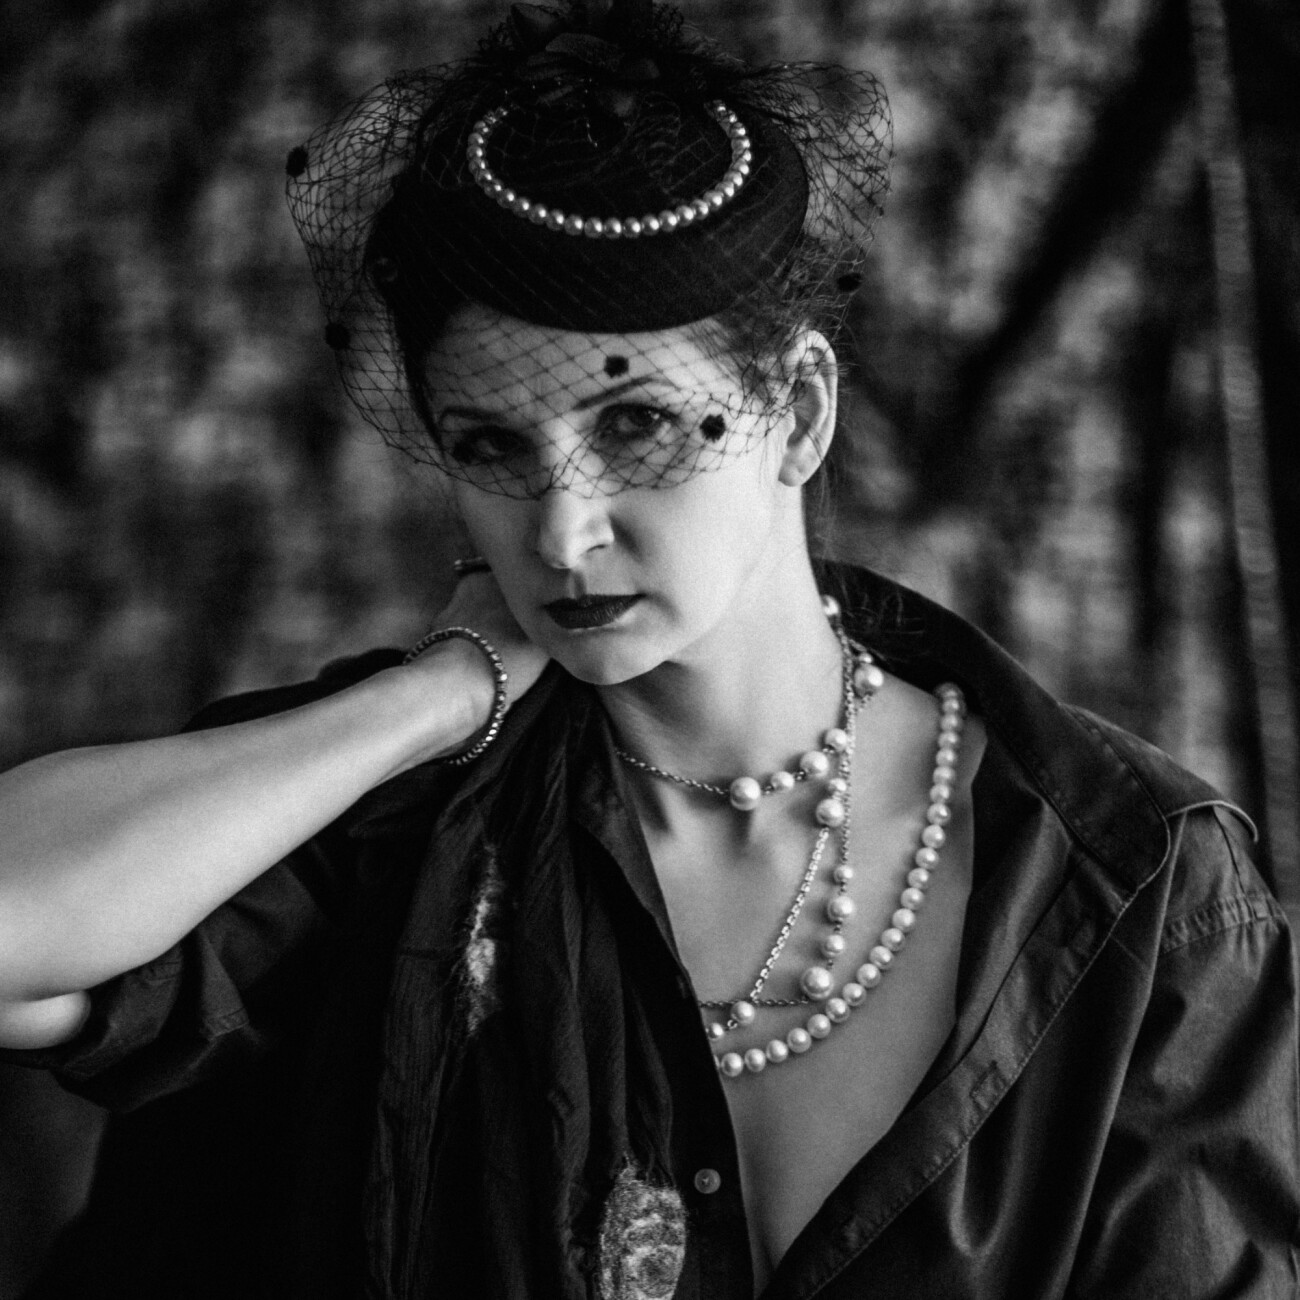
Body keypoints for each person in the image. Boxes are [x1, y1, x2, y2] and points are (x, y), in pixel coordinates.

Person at [0, 2, 1296, 1296]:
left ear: (799, 412)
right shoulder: (387, 819)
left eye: (636, 428)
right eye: (492, 446)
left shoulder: (1135, 889)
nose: (563, 533)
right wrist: (432, 697)